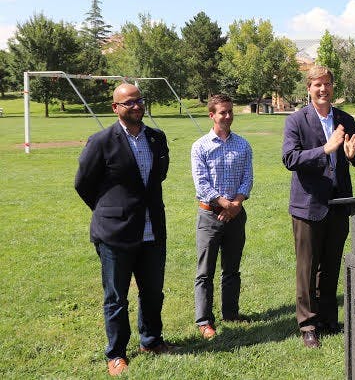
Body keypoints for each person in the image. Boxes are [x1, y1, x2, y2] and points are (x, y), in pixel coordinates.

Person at [74, 83, 177, 377]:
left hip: (152, 230)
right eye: (129, 102)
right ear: (115, 108)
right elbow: (83, 184)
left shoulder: (157, 139)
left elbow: (159, 177)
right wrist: (109, 210)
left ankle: (151, 341)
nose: (137, 106)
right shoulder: (101, 141)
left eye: (139, 100)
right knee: (116, 297)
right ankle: (117, 353)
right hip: (115, 233)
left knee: (153, 292)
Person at [281, 65, 355, 348]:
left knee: (330, 266)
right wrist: (325, 150)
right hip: (308, 205)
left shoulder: (346, 119)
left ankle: (329, 319)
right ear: (309, 88)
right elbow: (290, 159)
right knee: (307, 268)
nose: (323, 89)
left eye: (327, 84)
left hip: (339, 203)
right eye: (317, 85)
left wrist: (354, 156)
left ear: (333, 87)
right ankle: (307, 325)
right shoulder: (296, 120)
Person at [191, 94, 253, 340]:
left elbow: (248, 178)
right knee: (205, 272)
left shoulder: (243, 145)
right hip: (210, 216)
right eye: (222, 112)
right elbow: (201, 183)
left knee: (232, 269)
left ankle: (231, 313)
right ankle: (204, 321)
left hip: (236, 215)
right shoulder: (200, 146)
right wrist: (224, 203)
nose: (227, 116)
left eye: (230, 111)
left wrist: (236, 204)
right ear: (212, 115)